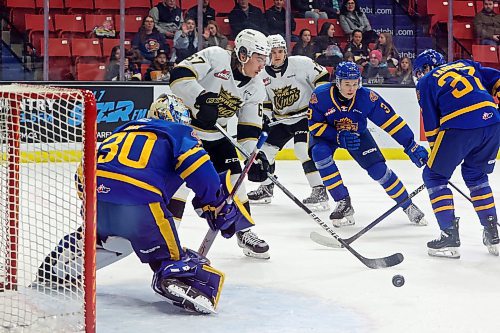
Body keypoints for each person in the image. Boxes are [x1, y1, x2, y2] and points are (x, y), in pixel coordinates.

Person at [37, 94, 254, 314]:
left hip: (94, 200)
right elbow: (199, 169)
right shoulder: (178, 132)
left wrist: (96, 198)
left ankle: (64, 261)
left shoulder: (122, 130)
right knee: (168, 256)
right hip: (139, 203)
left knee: (114, 241)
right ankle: (174, 275)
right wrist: (216, 203)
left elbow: (85, 171)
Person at [169, 29, 272, 259]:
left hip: (217, 136)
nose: (262, 65)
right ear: (243, 54)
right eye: (259, 58)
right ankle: (167, 233)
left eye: (264, 59)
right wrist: (200, 97)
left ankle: (244, 231)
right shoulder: (216, 56)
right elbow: (179, 74)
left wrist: (253, 156)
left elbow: (248, 127)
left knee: (236, 179)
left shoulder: (256, 86)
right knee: (180, 184)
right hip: (187, 131)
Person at [308, 61, 428, 227]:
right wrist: (337, 137)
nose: (351, 88)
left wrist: (410, 144)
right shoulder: (320, 95)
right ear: (338, 82)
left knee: (379, 171)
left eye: (355, 84)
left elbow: (391, 122)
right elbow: (314, 125)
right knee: (319, 153)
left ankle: (407, 205)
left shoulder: (367, 97)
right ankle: (343, 201)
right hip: (327, 135)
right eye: (347, 84)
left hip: (358, 134)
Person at [413, 49, 500, 258]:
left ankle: (449, 235)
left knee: (434, 176)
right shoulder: (466, 65)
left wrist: (435, 157)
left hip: (459, 124)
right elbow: (496, 78)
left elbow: (432, 125)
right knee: (476, 175)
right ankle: (492, 232)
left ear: (425, 68)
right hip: (493, 121)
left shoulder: (425, 81)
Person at [248, 34, 330, 210]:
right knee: (264, 152)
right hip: (282, 120)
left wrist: (320, 105)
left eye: (280, 51)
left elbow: (322, 78)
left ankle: (319, 189)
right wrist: (265, 118)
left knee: (302, 150)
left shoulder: (301, 63)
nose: (277, 55)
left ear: (285, 52)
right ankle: (266, 188)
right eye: (273, 52)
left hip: (304, 117)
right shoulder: (261, 74)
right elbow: (266, 101)